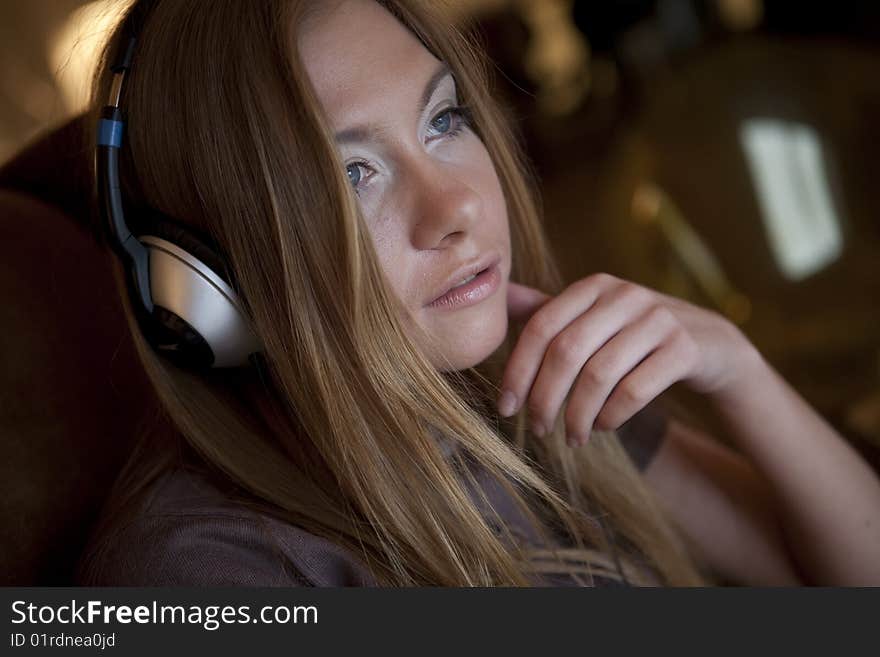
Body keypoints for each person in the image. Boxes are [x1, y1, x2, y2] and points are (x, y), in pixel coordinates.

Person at [75, 0, 880, 587]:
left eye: (443, 120)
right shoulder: (204, 573)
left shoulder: (518, 379)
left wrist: (737, 370)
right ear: (211, 283)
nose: (457, 206)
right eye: (352, 174)